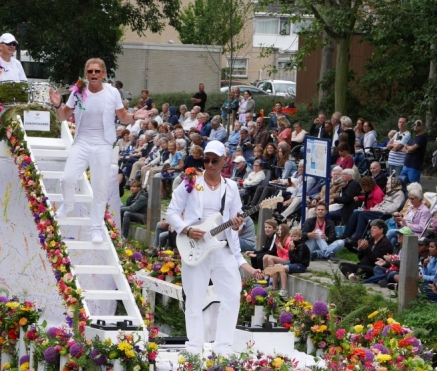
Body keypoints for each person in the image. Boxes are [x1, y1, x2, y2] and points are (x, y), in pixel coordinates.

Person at [166, 140, 261, 354]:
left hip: (222, 247)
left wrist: (237, 226)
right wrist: (187, 230)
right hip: (195, 245)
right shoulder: (190, 181)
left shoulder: (231, 187)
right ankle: (194, 346)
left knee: (231, 295)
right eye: (206, 160)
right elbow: (171, 212)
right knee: (194, 297)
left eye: (214, 160)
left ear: (224, 161)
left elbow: (236, 219)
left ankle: (223, 345)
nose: (209, 164)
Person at [50, 58, 149, 243]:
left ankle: (96, 227)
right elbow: (64, 116)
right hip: (81, 141)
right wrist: (57, 104)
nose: (93, 74)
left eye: (97, 71)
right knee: (67, 178)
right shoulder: (78, 92)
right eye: (90, 71)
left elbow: (123, 116)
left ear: (103, 74)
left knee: (100, 187)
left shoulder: (112, 93)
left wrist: (135, 116)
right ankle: (68, 204)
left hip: (103, 144)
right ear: (86, 74)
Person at [266, 226, 310, 296]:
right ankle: (273, 285)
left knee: (281, 268)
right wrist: (291, 250)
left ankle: (284, 290)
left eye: (295, 236)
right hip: (294, 262)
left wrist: (292, 250)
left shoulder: (302, 246)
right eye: (291, 236)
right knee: (275, 266)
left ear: (300, 237)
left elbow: (298, 259)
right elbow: (291, 259)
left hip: (301, 265)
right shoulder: (293, 244)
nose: (292, 238)